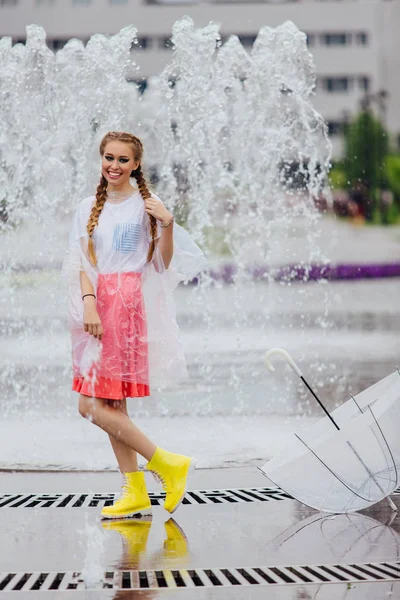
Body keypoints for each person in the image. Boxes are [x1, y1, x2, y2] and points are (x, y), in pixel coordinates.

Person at [61, 131, 207, 520]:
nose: (113, 165)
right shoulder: (87, 206)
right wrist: (90, 305)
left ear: (136, 164)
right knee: (107, 403)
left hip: (126, 304)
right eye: (108, 157)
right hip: (95, 306)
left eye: (123, 160)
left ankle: (166, 464)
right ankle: (136, 491)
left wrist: (169, 225)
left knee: (91, 405)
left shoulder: (147, 206)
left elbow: (160, 265)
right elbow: (81, 263)